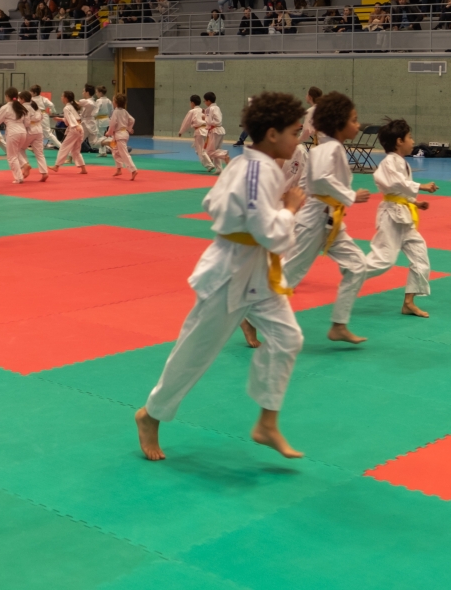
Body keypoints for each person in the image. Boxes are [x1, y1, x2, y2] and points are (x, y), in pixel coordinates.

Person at [135, 92, 308, 462]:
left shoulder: (248, 165)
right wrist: (289, 210)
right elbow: (268, 231)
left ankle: (267, 422)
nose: (300, 140)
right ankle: (150, 415)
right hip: (229, 274)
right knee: (194, 353)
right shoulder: (255, 171)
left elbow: (211, 203)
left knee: (288, 337)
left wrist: (254, 214)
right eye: (296, 132)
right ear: (273, 134)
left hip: (256, 271)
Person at [282, 92, 374, 344]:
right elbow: (321, 179)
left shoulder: (330, 147)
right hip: (314, 219)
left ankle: (339, 324)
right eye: (354, 120)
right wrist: (350, 195)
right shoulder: (329, 148)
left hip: (329, 219)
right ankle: (250, 313)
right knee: (290, 274)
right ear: (338, 123)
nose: (357, 125)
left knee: (357, 266)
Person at [354, 119, 437, 318]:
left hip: (404, 215)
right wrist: (422, 186)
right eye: (409, 137)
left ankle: (408, 303)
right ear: (399, 141)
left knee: (421, 258)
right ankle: (353, 273)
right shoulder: (388, 162)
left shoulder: (401, 162)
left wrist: (416, 202)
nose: (412, 140)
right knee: (384, 260)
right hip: (391, 216)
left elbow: (400, 188)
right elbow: (394, 183)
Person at [55, 91, 90, 174]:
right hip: (79, 128)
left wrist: (75, 125)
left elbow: (71, 119)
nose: (61, 98)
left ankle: (56, 166)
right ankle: (83, 169)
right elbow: (72, 118)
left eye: (62, 96)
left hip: (75, 128)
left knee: (64, 147)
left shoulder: (67, 108)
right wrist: (61, 119)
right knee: (75, 150)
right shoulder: (71, 106)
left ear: (66, 98)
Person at [108, 93, 137, 180]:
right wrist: (129, 128)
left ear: (116, 102)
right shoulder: (124, 111)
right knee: (115, 151)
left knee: (124, 153)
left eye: (113, 100)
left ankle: (133, 170)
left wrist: (109, 132)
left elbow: (113, 123)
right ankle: (119, 169)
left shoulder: (115, 112)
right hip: (123, 133)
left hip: (119, 135)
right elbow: (132, 120)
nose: (113, 102)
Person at [203, 92, 229, 172]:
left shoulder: (209, 109)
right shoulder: (217, 108)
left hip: (215, 131)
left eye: (205, 101)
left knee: (210, 152)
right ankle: (219, 169)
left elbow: (213, 121)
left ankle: (224, 154)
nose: (204, 103)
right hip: (219, 130)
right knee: (216, 149)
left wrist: (204, 117)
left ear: (209, 101)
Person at [31, 84, 61, 150]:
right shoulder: (43, 99)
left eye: (31, 92)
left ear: (35, 93)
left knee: (47, 134)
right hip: (41, 116)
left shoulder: (31, 99)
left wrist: (53, 111)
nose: (30, 93)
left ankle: (62, 148)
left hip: (39, 116)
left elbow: (51, 105)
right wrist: (53, 111)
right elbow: (51, 105)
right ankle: (37, 147)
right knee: (37, 133)